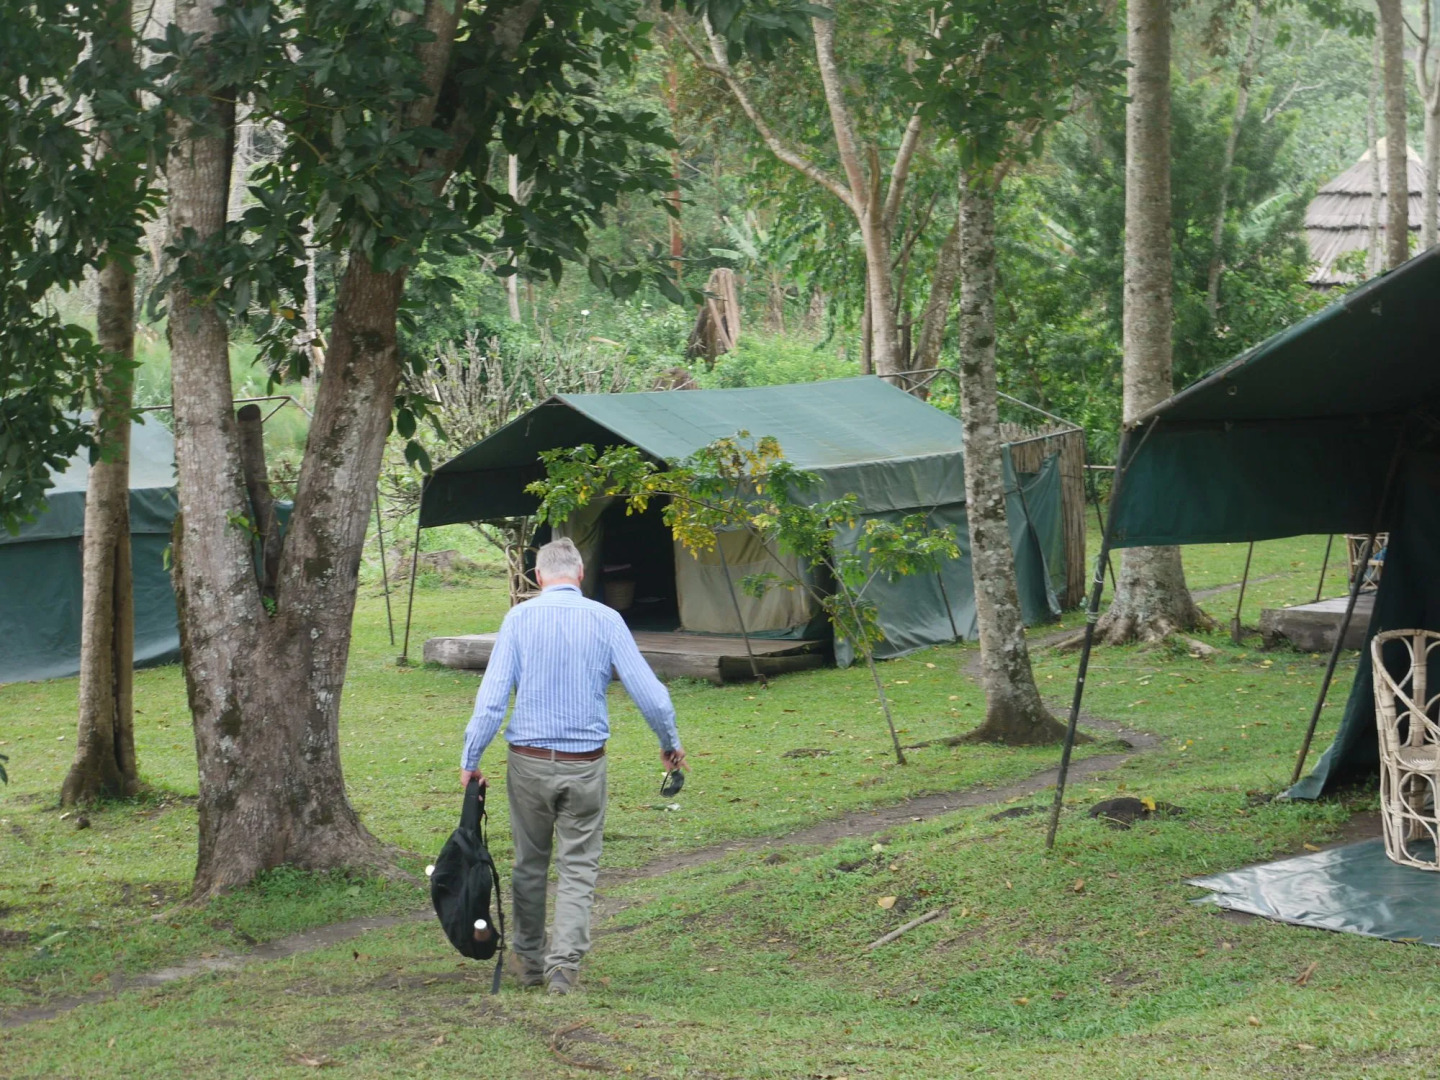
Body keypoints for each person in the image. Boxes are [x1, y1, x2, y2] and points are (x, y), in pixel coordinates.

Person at [460, 536, 685, 996]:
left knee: (529, 863)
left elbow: (491, 700)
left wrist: (471, 758)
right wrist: (669, 743)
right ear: (580, 575)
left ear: (539, 577)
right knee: (579, 865)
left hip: (527, 764)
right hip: (586, 765)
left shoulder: (519, 618)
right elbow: (651, 694)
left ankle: (529, 959)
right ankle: (563, 969)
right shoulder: (606, 619)